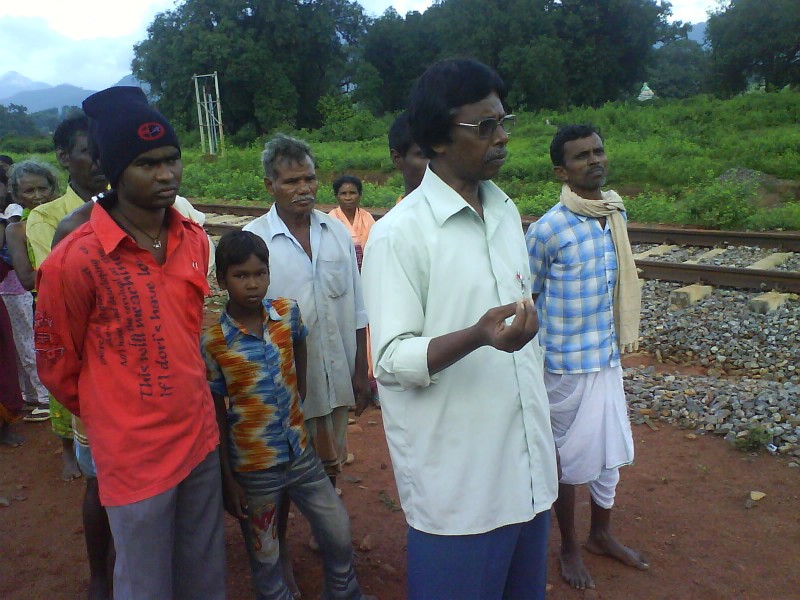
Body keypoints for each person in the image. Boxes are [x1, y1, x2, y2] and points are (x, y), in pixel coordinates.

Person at [361, 58, 558, 599]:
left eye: (503, 121)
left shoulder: (504, 211)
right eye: (485, 126)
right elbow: (390, 361)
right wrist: (477, 336)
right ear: (437, 140)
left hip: (527, 471)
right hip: (459, 488)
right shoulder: (399, 235)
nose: (502, 137)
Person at [34, 86, 225, 600]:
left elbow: (188, 332)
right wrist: (118, 409)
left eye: (171, 159)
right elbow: (57, 365)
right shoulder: (76, 258)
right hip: (132, 454)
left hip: (199, 436)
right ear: (115, 170)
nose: (166, 175)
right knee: (144, 582)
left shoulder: (193, 237)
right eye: (147, 164)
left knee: (204, 574)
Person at [202, 230, 373, 600]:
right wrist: (228, 478)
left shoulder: (286, 313)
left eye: (260, 273)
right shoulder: (214, 342)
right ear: (222, 281)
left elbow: (300, 343)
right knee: (265, 554)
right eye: (241, 275)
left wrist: (300, 392)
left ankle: (343, 592)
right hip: (253, 467)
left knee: (337, 529)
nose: (252, 284)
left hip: (300, 454)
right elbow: (216, 415)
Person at [243, 134, 370, 592]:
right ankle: (279, 558)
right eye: (291, 181)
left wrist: (361, 370)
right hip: (283, 384)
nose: (304, 188)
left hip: (336, 373)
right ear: (270, 185)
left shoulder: (335, 232)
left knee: (331, 458)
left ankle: (321, 529)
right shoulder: (255, 239)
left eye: (309, 178)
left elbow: (357, 304)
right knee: (278, 475)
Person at [525, 124, 648, 590]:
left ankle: (601, 535)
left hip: (606, 357)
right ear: (562, 171)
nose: (594, 160)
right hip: (562, 363)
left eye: (598, 151)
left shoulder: (613, 212)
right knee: (563, 459)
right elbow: (528, 295)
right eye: (581, 156)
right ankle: (570, 548)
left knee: (608, 454)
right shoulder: (548, 229)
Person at [2, 161, 57, 426]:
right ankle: (47, 402)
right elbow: (26, 279)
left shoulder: (65, 218)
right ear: (16, 195)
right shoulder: (17, 229)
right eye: (28, 191)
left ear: (53, 188)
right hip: (42, 303)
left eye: (42, 189)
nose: (37, 196)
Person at [328, 175, 374, 270]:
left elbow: (375, 245)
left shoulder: (367, 218)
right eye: (343, 193)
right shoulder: (330, 220)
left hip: (367, 269)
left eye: (352, 193)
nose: (348, 198)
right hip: (339, 270)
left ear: (360, 195)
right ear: (336, 196)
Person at [388, 111, 428, 203]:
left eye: (444, 155)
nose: (439, 163)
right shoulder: (399, 213)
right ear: (397, 159)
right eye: (425, 155)